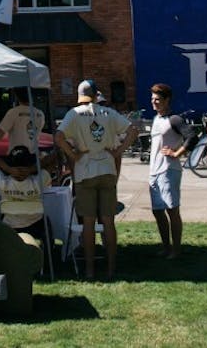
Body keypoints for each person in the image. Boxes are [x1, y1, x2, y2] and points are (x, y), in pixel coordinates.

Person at [54, 79, 135, 280]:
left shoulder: (73, 114)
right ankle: (111, 268)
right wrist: (118, 151)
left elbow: (58, 137)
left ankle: (90, 270)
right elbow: (133, 130)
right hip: (107, 169)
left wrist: (73, 156)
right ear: (96, 94)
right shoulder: (109, 113)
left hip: (85, 171)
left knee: (88, 223)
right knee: (108, 221)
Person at [148, 83, 198, 259]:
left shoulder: (174, 119)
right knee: (157, 211)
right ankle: (166, 247)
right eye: (153, 99)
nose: (154, 102)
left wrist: (176, 153)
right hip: (154, 172)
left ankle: (176, 250)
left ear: (167, 100)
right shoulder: (156, 119)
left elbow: (192, 135)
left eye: (158, 100)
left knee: (172, 210)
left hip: (169, 170)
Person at [0, 145, 53, 270]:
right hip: (35, 224)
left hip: (9, 225)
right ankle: (47, 264)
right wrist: (33, 169)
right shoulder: (38, 181)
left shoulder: (1, 182)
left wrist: (8, 168)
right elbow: (53, 159)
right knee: (47, 224)